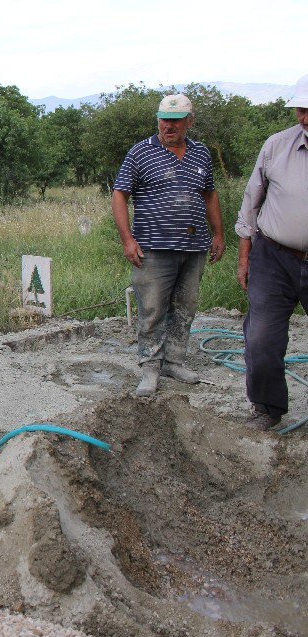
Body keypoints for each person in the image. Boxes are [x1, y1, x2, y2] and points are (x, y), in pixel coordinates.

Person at [112, 94, 225, 397]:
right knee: (152, 309)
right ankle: (150, 367)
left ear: (190, 121)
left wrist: (218, 234)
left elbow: (210, 194)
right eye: (164, 118)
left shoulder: (201, 154)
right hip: (153, 248)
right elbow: (120, 194)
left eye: (175, 120)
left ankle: (174, 360)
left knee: (185, 307)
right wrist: (127, 240)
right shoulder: (140, 152)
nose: (168, 125)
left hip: (194, 246)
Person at [235, 74, 308, 431]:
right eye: (301, 109)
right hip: (274, 257)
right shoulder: (277, 146)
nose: (305, 118)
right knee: (262, 337)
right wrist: (245, 256)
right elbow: (251, 202)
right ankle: (267, 408)